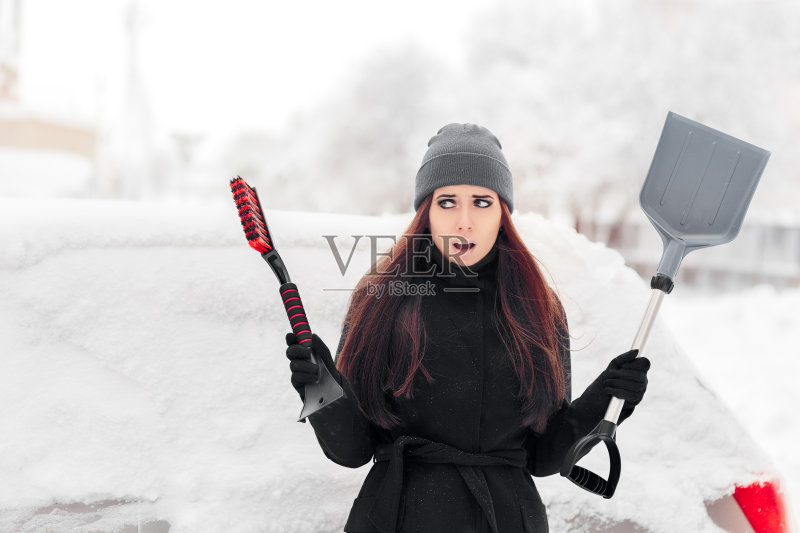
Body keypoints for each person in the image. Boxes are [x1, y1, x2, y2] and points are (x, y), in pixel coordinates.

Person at [285, 123, 650, 533]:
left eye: (481, 201)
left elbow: (544, 456)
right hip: (396, 517)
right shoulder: (381, 299)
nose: (464, 221)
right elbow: (351, 451)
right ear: (426, 212)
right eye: (446, 202)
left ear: (502, 213)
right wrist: (319, 387)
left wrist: (607, 400)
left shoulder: (537, 308)